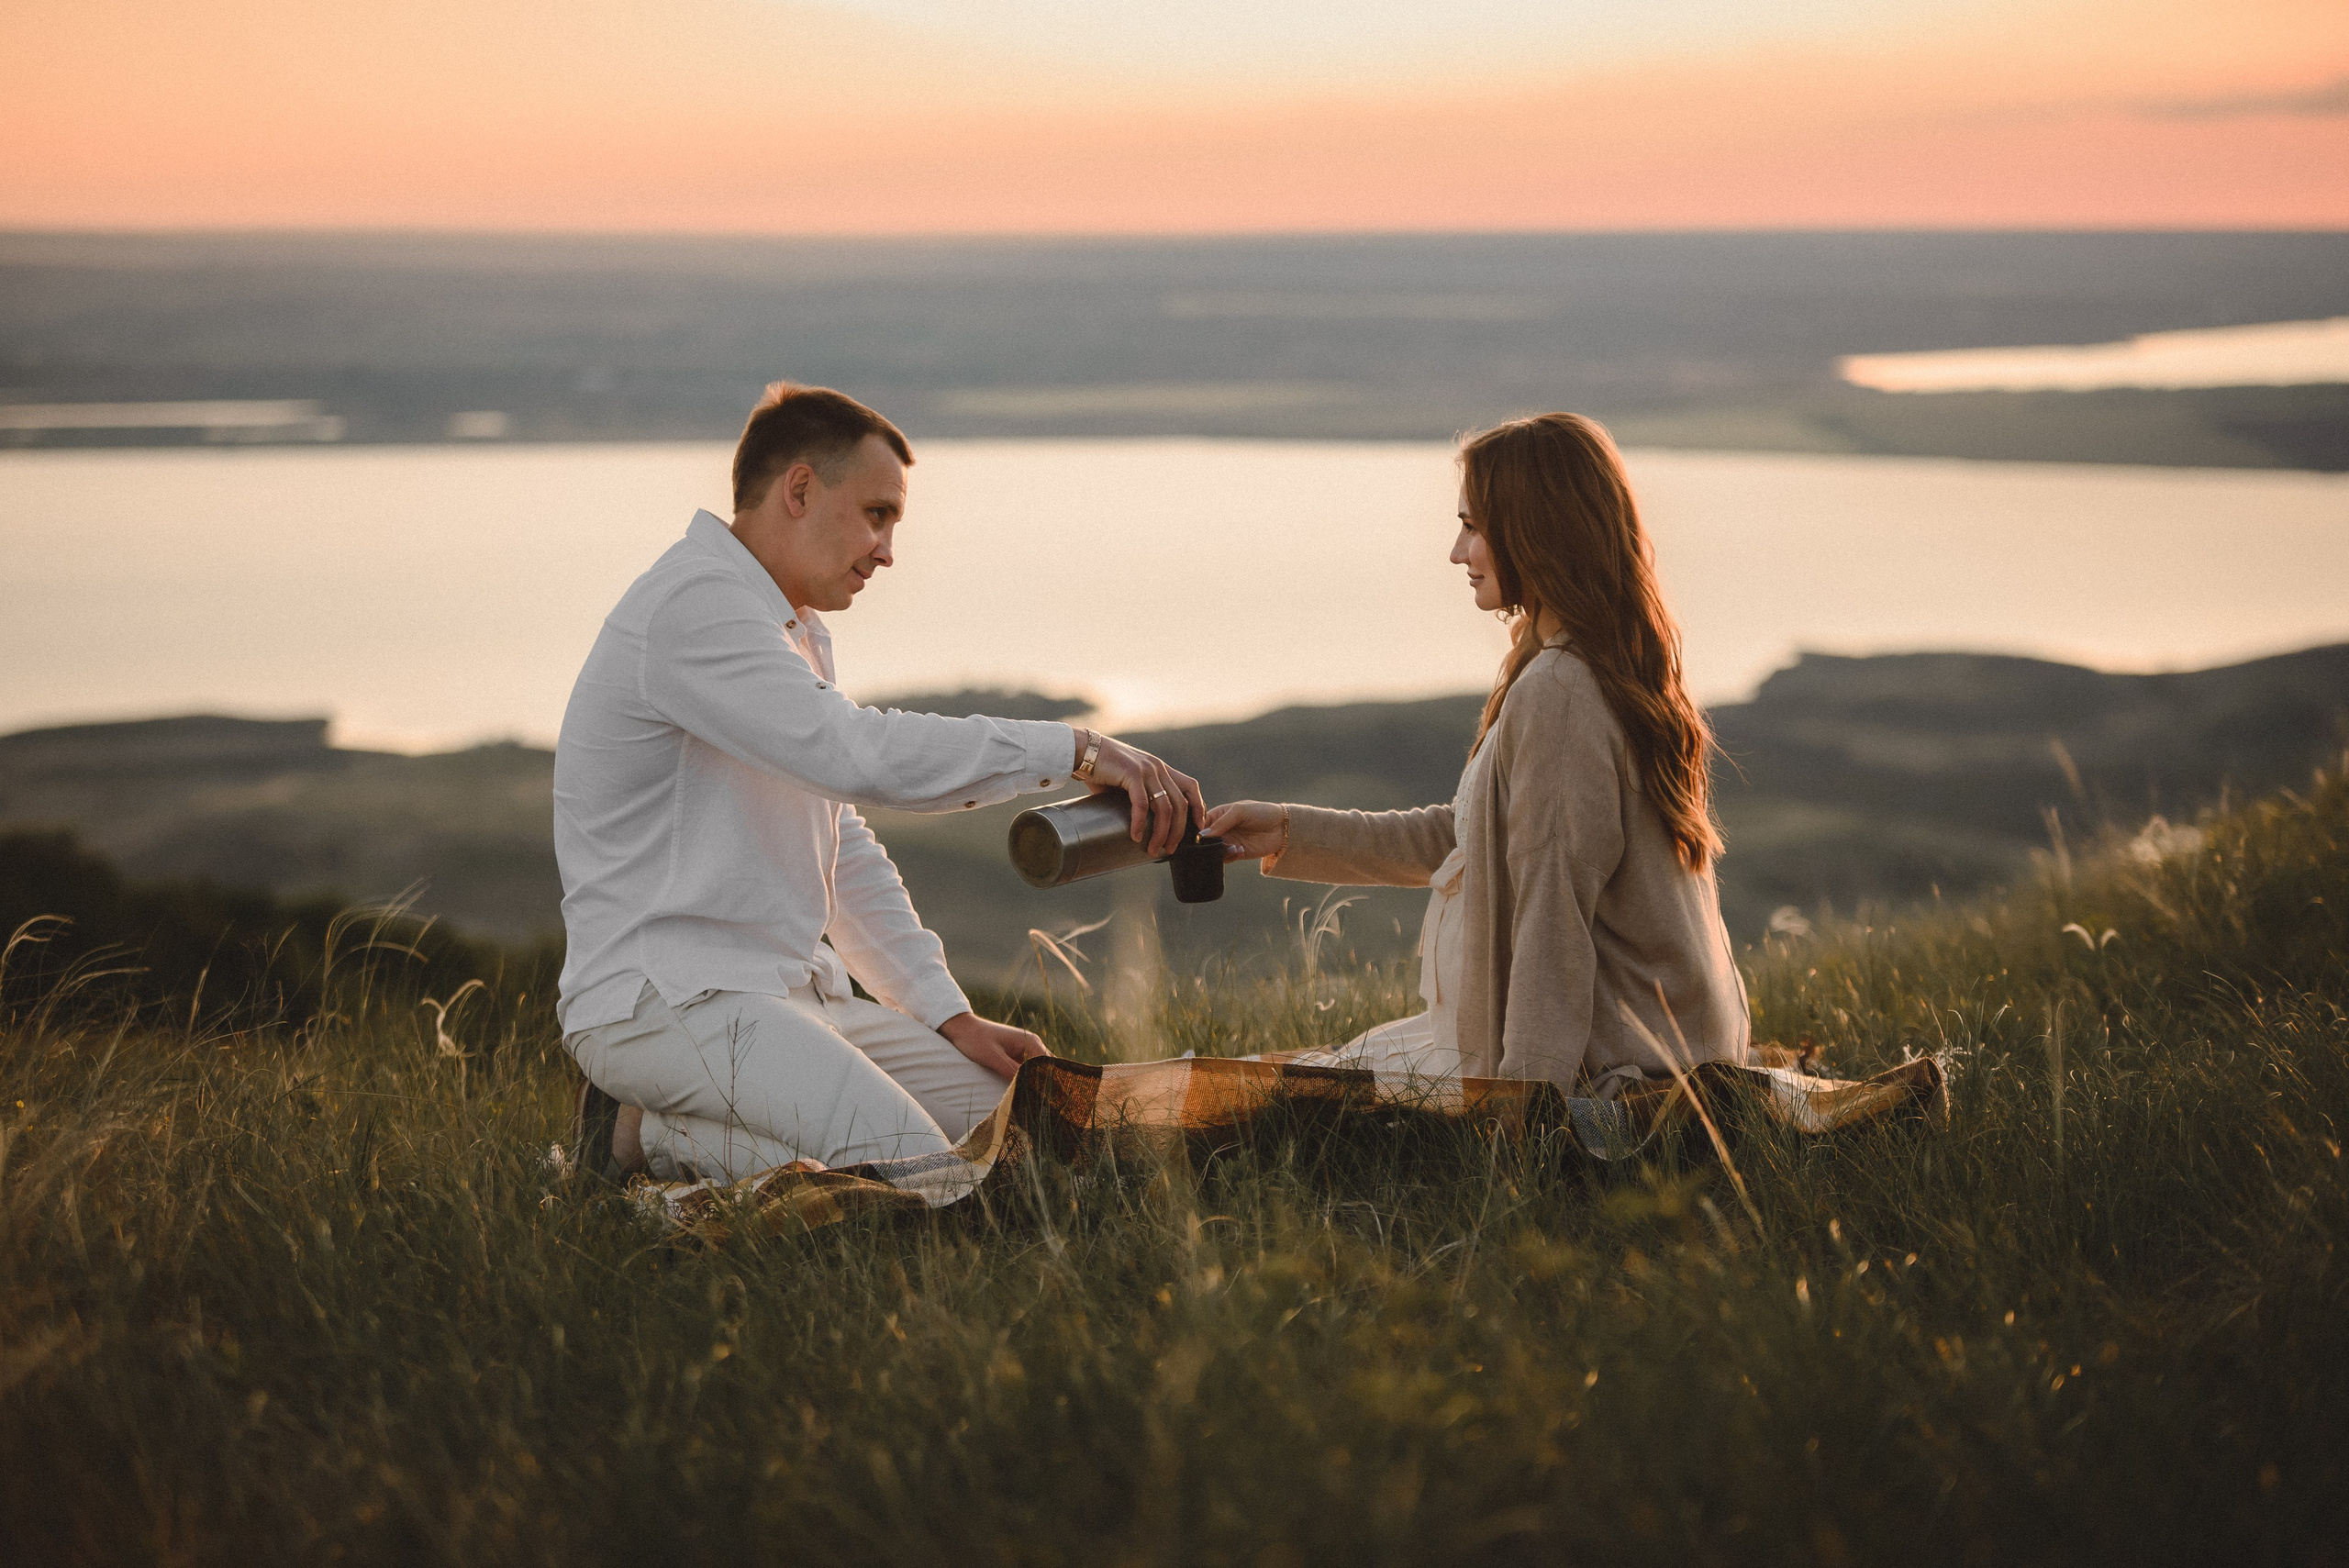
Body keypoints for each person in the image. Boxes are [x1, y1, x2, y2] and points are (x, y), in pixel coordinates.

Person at [556, 383, 1205, 1184]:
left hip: (794, 999)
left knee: (1032, 1138)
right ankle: (646, 1140)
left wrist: (948, 1014)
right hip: (666, 1002)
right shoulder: (695, 605)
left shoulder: (791, 628)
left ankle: (654, 1129)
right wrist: (1077, 749)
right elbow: (858, 754)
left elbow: (840, 846)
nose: (888, 550)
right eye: (876, 514)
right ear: (799, 489)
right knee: (932, 1178)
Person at [1202, 413, 1750, 1096]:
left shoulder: (1559, 692)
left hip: (1612, 1067)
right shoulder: (1594, 663)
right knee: (1318, 1074)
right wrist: (1288, 830)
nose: (1457, 552)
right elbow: (1475, 842)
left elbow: (1553, 913)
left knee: (1278, 1098)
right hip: (1662, 1047)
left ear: (1534, 531)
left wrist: (1520, 1107)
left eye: (1472, 527)